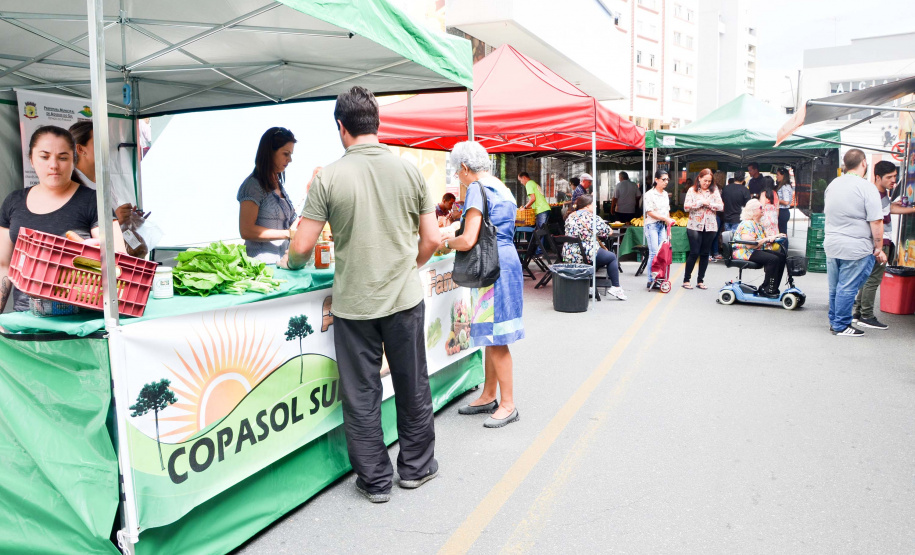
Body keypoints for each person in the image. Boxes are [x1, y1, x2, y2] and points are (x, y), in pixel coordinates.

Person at [281, 87, 440, 503]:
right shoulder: (409, 171)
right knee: (412, 383)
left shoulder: (328, 177)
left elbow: (301, 248)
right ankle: (416, 468)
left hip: (353, 304)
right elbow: (432, 239)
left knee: (362, 391)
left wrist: (290, 265)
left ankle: (374, 481)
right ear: (377, 123)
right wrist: (408, 266)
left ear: (341, 127)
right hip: (404, 298)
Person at [441, 141, 523, 429]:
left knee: (497, 338)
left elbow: (468, 240)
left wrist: (444, 241)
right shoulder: (502, 186)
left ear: (465, 168)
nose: (458, 179)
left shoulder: (476, 188)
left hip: (490, 265)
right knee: (491, 333)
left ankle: (508, 404)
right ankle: (489, 395)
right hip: (506, 261)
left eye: (457, 173)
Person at [0, 125, 126, 313]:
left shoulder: (93, 201)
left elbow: (121, 263)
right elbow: (4, 266)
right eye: (44, 157)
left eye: (63, 157)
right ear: (31, 160)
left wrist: (97, 253)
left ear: (74, 160)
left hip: (78, 319)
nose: (54, 165)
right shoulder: (13, 201)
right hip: (26, 318)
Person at [824, 149, 887, 338]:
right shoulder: (866, 187)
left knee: (836, 287)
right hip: (856, 247)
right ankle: (842, 325)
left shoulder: (833, 184)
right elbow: (876, 221)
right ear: (864, 163)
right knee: (848, 287)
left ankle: (835, 321)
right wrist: (878, 247)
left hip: (832, 243)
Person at [852, 161, 915, 330]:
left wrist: (910, 208)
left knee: (866, 278)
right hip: (879, 243)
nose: (893, 180)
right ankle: (867, 315)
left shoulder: (880, 193)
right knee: (873, 280)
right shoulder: (875, 195)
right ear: (877, 177)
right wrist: (879, 247)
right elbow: (877, 220)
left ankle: (858, 313)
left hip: (875, 243)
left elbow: (888, 210)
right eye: (889, 177)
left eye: (895, 176)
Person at [70, 120, 147, 257]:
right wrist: (115, 219)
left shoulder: (104, 182)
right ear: (81, 149)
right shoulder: (73, 187)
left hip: (114, 259)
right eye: (98, 143)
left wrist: (130, 219)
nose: (105, 148)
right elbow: (75, 234)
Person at [237, 127, 299, 264]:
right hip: (260, 267)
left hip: (281, 264)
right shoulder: (253, 186)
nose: (290, 160)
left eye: (291, 154)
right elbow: (246, 230)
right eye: (286, 154)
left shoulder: (278, 186)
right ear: (270, 153)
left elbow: (291, 224)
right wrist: (288, 234)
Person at [562, 194, 626, 300]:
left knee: (599, 256)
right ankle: (616, 287)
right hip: (585, 254)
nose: (596, 207)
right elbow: (608, 231)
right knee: (611, 257)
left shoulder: (570, 216)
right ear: (587, 206)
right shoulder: (592, 217)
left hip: (569, 255)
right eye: (593, 204)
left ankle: (590, 286)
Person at [732, 199, 786, 298]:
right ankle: (766, 289)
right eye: (760, 207)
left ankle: (772, 287)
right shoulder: (747, 224)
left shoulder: (757, 224)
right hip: (744, 251)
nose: (763, 209)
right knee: (773, 259)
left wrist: (776, 236)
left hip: (754, 250)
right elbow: (749, 245)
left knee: (781, 257)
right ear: (753, 211)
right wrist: (767, 239)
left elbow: (761, 240)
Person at [682, 168, 723, 289]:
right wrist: (699, 203)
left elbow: (721, 206)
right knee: (694, 252)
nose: (707, 183)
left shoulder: (714, 191)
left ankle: (700, 280)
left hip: (710, 225)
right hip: (694, 225)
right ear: (699, 178)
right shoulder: (692, 190)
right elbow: (686, 207)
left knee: (705, 253)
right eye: (705, 180)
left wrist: (709, 204)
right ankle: (686, 280)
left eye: (709, 181)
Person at [643, 169, 677, 288]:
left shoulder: (665, 194)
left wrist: (669, 228)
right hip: (652, 225)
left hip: (663, 226)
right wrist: (665, 219)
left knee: (662, 252)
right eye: (663, 179)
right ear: (656, 180)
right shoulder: (649, 194)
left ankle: (660, 277)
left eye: (667, 179)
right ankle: (650, 279)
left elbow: (667, 212)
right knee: (653, 252)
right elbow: (650, 212)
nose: (666, 181)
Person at [519, 171, 551, 239]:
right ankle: (539, 249)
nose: (521, 183)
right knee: (540, 231)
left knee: (541, 232)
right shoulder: (533, 183)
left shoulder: (528, 184)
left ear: (524, 178)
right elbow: (535, 200)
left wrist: (524, 207)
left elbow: (533, 199)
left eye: (520, 180)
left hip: (541, 210)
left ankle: (540, 249)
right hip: (543, 209)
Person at [710, 170, 728, 260]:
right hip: (716, 214)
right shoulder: (714, 188)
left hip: (719, 214)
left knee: (716, 235)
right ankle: (711, 253)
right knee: (713, 235)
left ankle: (715, 252)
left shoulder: (719, 188)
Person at [775, 167, 794, 235]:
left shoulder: (784, 187)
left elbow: (786, 202)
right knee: (782, 231)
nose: (776, 177)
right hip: (783, 211)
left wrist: (776, 200)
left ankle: (784, 245)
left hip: (782, 211)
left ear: (783, 175)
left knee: (782, 233)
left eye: (778, 175)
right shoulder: (786, 186)